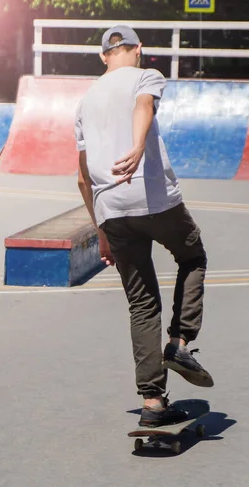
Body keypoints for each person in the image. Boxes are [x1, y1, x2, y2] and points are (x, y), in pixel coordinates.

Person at [74, 25, 214, 428]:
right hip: (153, 198)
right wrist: (137, 148)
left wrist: (100, 227)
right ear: (139, 50)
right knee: (192, 255)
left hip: (110, 209)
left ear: (103, 56)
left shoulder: (84, 102)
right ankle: (180, 343)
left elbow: (82, 177)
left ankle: (152, 403)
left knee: (141, 302)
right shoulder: (146, 76)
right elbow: (143, 106)